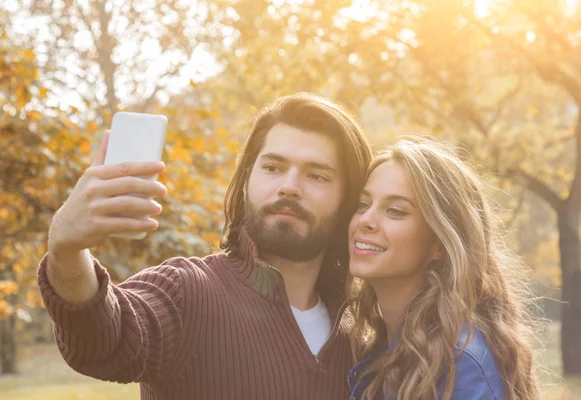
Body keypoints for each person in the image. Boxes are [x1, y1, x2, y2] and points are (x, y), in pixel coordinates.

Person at [38, 93, 372, 399]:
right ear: (246, 180)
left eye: (317, 176)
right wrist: (67, 252)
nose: (289, 186)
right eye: (273, 167)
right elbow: (103, 339)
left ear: (348, 201)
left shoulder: (360, 335)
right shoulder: (186, 292)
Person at [347, 136, 540, 400]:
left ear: (440, 243)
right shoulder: (381, 349)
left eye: (394, 210)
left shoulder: (459, 363)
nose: (365, 220)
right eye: (363, 204)